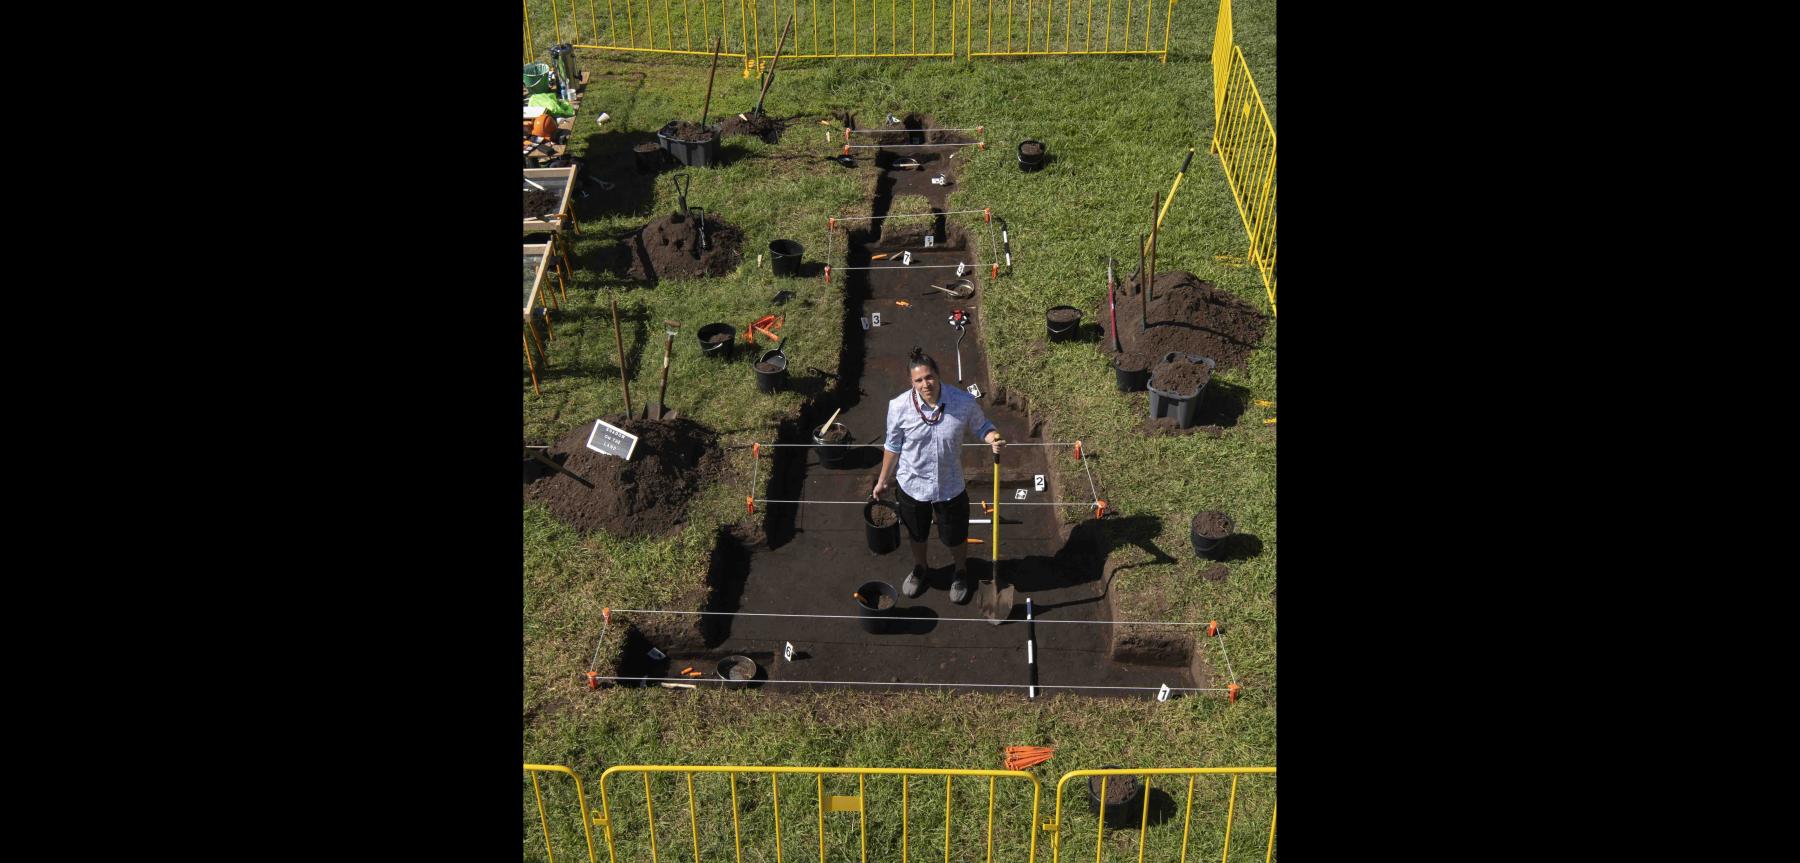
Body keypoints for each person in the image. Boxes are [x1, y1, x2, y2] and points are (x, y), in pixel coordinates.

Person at [872, 347, 1005, 603]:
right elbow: (892, 446)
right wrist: (882, 480)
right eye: (918, 380)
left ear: (938, 374)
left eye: (929, 377)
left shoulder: (963, 403)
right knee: (917, 534)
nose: (925, 384)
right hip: (912, 486)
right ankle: (921, 568)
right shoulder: (898, 407)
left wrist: (993, 438)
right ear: (911, 382)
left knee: (955, 536)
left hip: (950, 486)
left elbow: (983, 426)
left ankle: (960, 570)